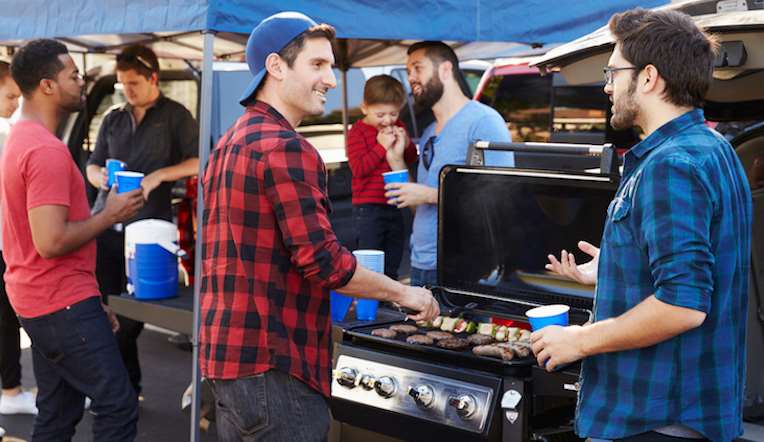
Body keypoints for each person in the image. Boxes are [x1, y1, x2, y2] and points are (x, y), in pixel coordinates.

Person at [200, 12, 439, 442]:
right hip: (276, 366)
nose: (331, 79)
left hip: (227, 363)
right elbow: (325, 264)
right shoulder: (288, 148)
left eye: (330, 65)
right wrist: (405, 293)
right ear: (276, 67)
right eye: (318, 65)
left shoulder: (229, 141)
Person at [533, 8, 751, 442]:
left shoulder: (671, 166)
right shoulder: (713, 147)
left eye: (613, 72)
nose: (607, 85)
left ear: (649, 77)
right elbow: (693, 269)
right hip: (682, 410)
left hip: (654, 420)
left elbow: (682, 305)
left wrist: (580, 340)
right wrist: (618, 266)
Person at [2, 39, 143, 441]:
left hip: (47, 299)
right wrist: (110, 213)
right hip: (57, 302)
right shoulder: (44, 150)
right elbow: (50, 241)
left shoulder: (23, 139)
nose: (81, 82)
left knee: (58, 412)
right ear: (47, 85)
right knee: (118, 404)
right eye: (73, 75)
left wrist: (90, 299)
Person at [85, 44, 199, 398]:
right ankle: (123, 388)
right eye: (121, 84)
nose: (127, 91)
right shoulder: (114, 117)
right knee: (103, 310)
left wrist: (160, 175)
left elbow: (202, 161)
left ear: (153, 78)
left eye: (133, 83)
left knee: (131, 317)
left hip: (149, 231)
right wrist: (99, 176)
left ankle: (120, 387)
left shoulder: (176, 115)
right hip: (105, 226)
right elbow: (91, 164)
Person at [385, 41, 513, 287]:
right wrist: (396, 160)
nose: (411, 78)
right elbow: (418, 205)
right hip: (421, 264)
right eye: (409, 71)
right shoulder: (429, 132)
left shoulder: (483, 121)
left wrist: (430, 195)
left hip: (464, 267)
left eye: (417, 68)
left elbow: (501, 201)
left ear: (445, 69)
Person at [346, 74, 417, 280]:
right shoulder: (358, 132)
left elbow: (410, 158)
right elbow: (359, 169)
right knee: (370, 260)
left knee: (394, 256)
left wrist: (406, 144)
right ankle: (369, 301)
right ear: (364, 108)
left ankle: (389, 299)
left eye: (393, 113)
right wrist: (381, 146)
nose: (387, 120)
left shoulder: (399, 126)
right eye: (380, 115)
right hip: (368, 207)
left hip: (396, 203)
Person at [0, 61, 37, 416]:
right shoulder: (7, 136)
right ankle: (10, 392)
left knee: (9, 320)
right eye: (10, 95)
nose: (15, 102)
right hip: (6, 243)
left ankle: (11, 392)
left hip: (6, 243)